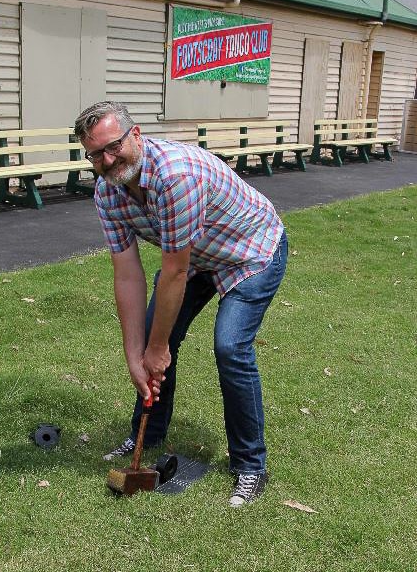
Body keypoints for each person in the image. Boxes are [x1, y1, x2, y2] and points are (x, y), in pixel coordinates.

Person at [74, 101, 287, 507]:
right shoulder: (107, 192)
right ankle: (148, 435)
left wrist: (157, 349)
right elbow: (128, 274)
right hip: (196, 258)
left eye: (113, 146)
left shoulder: (175, 176)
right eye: (96, 153)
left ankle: (250, 466)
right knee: (155, 340)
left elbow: (172, 272)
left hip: (251, 251)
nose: (107, 159)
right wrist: (135, 354)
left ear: (135, 135)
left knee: (230, 347)